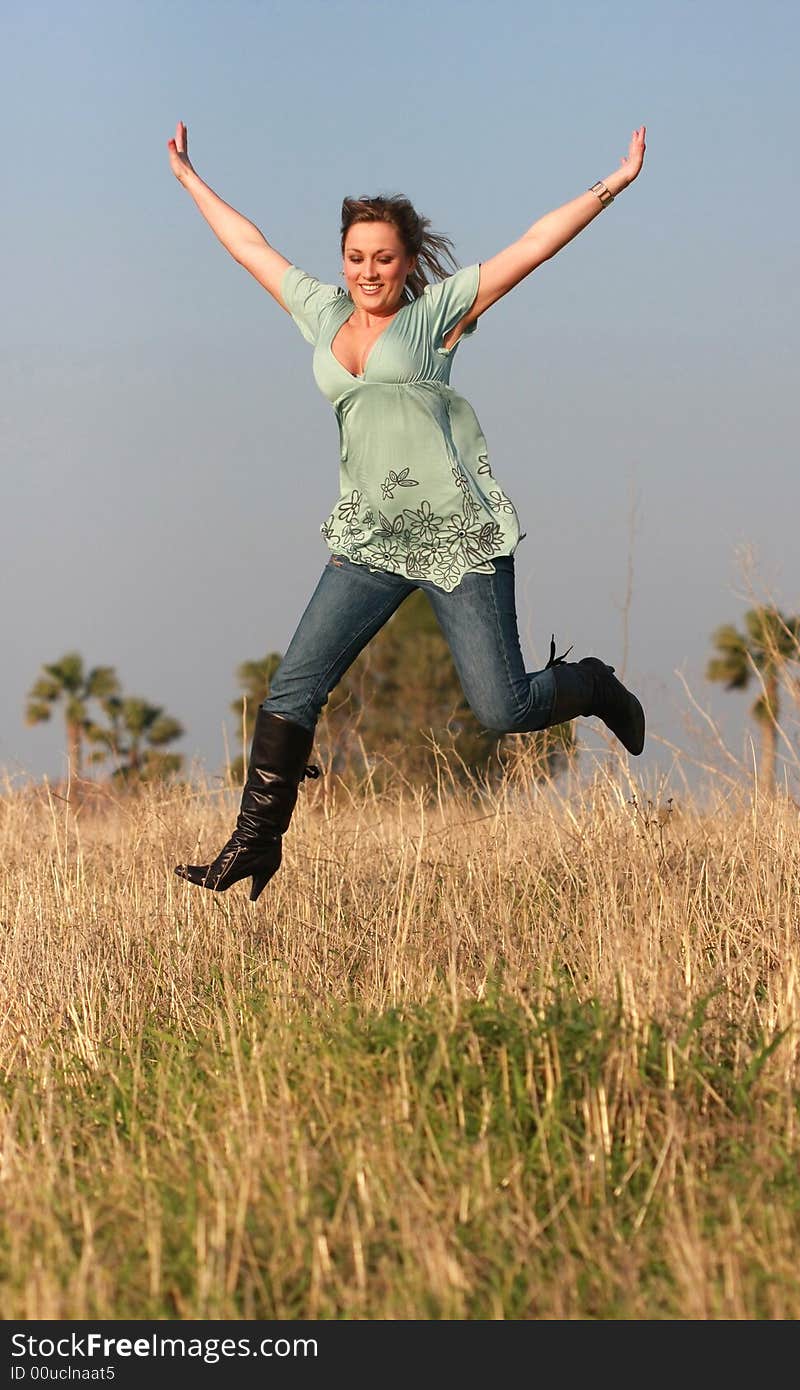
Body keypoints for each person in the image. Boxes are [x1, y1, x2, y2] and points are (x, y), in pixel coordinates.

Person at [169, 121, 648, 901]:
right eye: (356, 257)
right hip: (368, 539)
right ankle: (255, 843)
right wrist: (191, 179)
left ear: (406, 260)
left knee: (503, 707)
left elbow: (533, 245)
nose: (368, 270)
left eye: (383, 257)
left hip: (455, 537)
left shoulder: (435, 318)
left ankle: (592, 685)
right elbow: (249, 248)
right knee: (292, 688)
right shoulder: (322, 314)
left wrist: (614, 182)